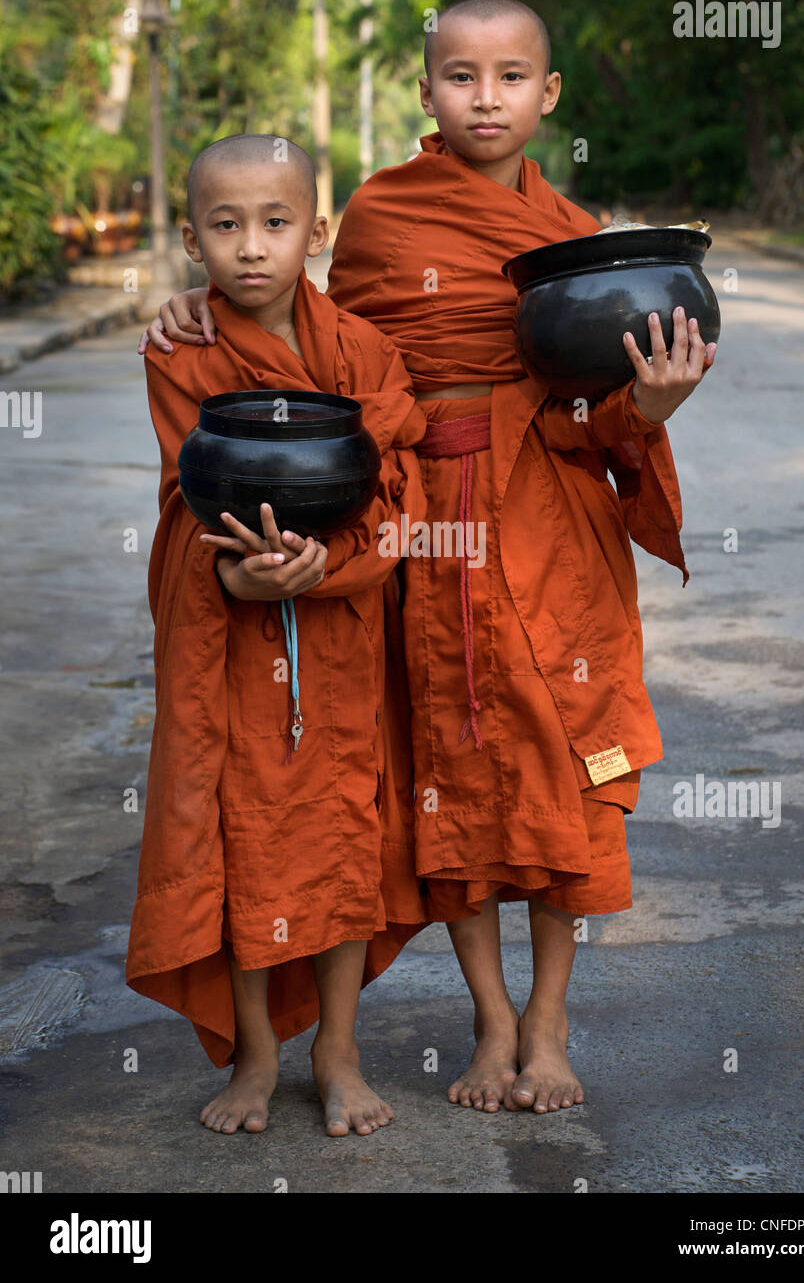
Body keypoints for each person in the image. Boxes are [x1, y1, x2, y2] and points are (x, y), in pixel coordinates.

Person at [137, 0, 717, 1118]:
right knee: (445, 763)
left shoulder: (575, 234)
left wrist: (649, 408)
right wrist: (197, 307)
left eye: (509, 77)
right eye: (459, 75)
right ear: (425, 92)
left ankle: (546, 1023)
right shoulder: (382, 218)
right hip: (420, 524)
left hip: (549, 516)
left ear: (547, 95)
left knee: (563, 760)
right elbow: (312, 363)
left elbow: (601, 417)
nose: (484, 97)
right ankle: (488, 1018)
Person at [126, 133, 428, 1137]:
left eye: (275, 222)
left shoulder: (359, 348)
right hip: (231, 636)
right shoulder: (179, 348)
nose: (251, 247)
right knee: (244, 827)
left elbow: (396, 492)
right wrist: (237, 570)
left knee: (344, 828)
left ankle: (338, 1048)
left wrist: (324, 567)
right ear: (189, 239)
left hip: (339, 631)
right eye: (224, 226)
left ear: (317, 228)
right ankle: (257, 1050)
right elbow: (189, 487)